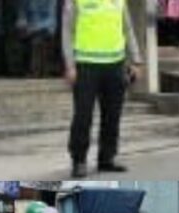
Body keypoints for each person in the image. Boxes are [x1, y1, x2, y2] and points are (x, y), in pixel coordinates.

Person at [61, 0, 144, 178]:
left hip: (115, 64)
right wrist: (70, 65)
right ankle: (79, 160)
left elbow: (127, 28)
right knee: (83, 115)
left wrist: (136, 60)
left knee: (112, 115)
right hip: (85, 64)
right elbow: (67, 31)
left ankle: (107, 158)